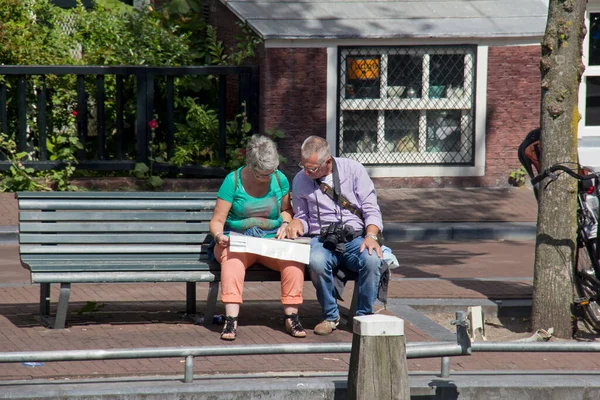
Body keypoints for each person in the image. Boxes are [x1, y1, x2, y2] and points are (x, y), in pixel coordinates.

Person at [209, 134, 306, 341]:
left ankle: (292, 316)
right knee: (232, 261)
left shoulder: (279, 179)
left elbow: (286, 210)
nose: (268, 177)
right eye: (263, 174)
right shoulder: (233, 181)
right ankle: (231, 320)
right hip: (237, 239)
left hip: (270, 241)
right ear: (250, 166)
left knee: (293, 260)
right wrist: (219, 236)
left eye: (271, 171)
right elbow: (217, 221)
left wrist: (287, 223)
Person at [286, 135, 384, 335]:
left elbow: (371, 209)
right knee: (316, 261)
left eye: (312, 168)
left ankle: (364, 318)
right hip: (321, 238)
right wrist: (297, 222)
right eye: (303, 166)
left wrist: (371, 236)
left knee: (372, 259)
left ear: (328, 162)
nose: (306, 172)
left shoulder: (353, 170)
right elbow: (304, 217)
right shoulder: (300, 179)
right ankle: (330, 316)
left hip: (355, 237)